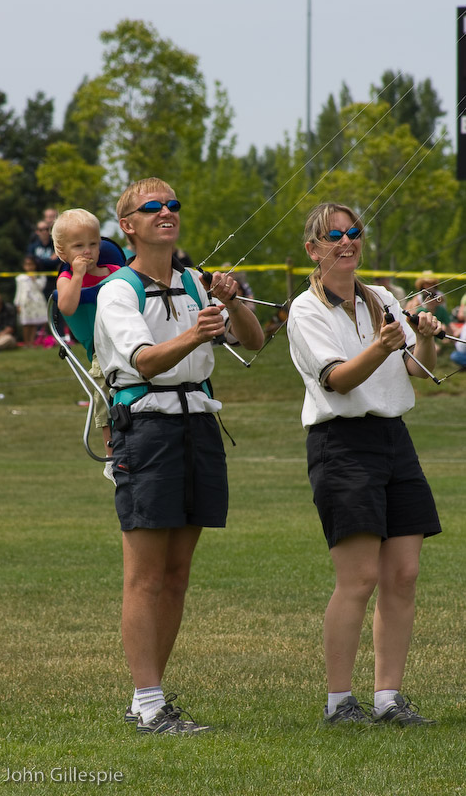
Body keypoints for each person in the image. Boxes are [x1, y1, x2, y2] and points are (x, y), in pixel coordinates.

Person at [93, 177, 263, 735]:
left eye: (173, 205)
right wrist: (196, 334)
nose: (167, 212)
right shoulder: (118, 291)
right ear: (130, 226)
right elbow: (144, 362)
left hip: (199, 425)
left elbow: (253, 342)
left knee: (178, 573)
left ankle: (149, 699)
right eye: (152, 207)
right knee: (144, 576)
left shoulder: (195, 282)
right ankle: (148, 702)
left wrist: (232, 304)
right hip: (146, 430)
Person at [287, 202, 442, 726]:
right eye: (334, 236)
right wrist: (382, 346)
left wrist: (422, 335)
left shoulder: (382, 298)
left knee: (404, 573)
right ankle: (339, 702)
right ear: (313, 249)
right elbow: (338, 379)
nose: (347, 242)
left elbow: (421, 370)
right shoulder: (305, 311)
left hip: (394, 438)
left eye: (354, 233)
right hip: (341, 444)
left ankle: (388, 698)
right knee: (358, 579)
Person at [53, 209, 123, 481]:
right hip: (101, 349)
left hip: (128, 342)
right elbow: (66, 305)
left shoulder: (117, 271)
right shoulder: (68, 278)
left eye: (93, 244)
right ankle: (112, 456)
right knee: (105, 394)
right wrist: (79, 275)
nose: (88, 251)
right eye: (78, 246)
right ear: (63, 252)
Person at [13, 255, 48, 347]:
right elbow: (19, 291)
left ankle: (32, 342)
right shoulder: (20, 278)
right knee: (26, 323)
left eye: (31, 264)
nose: (29, 267)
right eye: (27, 264)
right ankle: (26, 342)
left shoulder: (40, 276)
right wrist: (17, 304)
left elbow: (41, 287)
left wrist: (34, 279)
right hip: (25, 302)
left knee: (33, 322)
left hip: (36, 302)